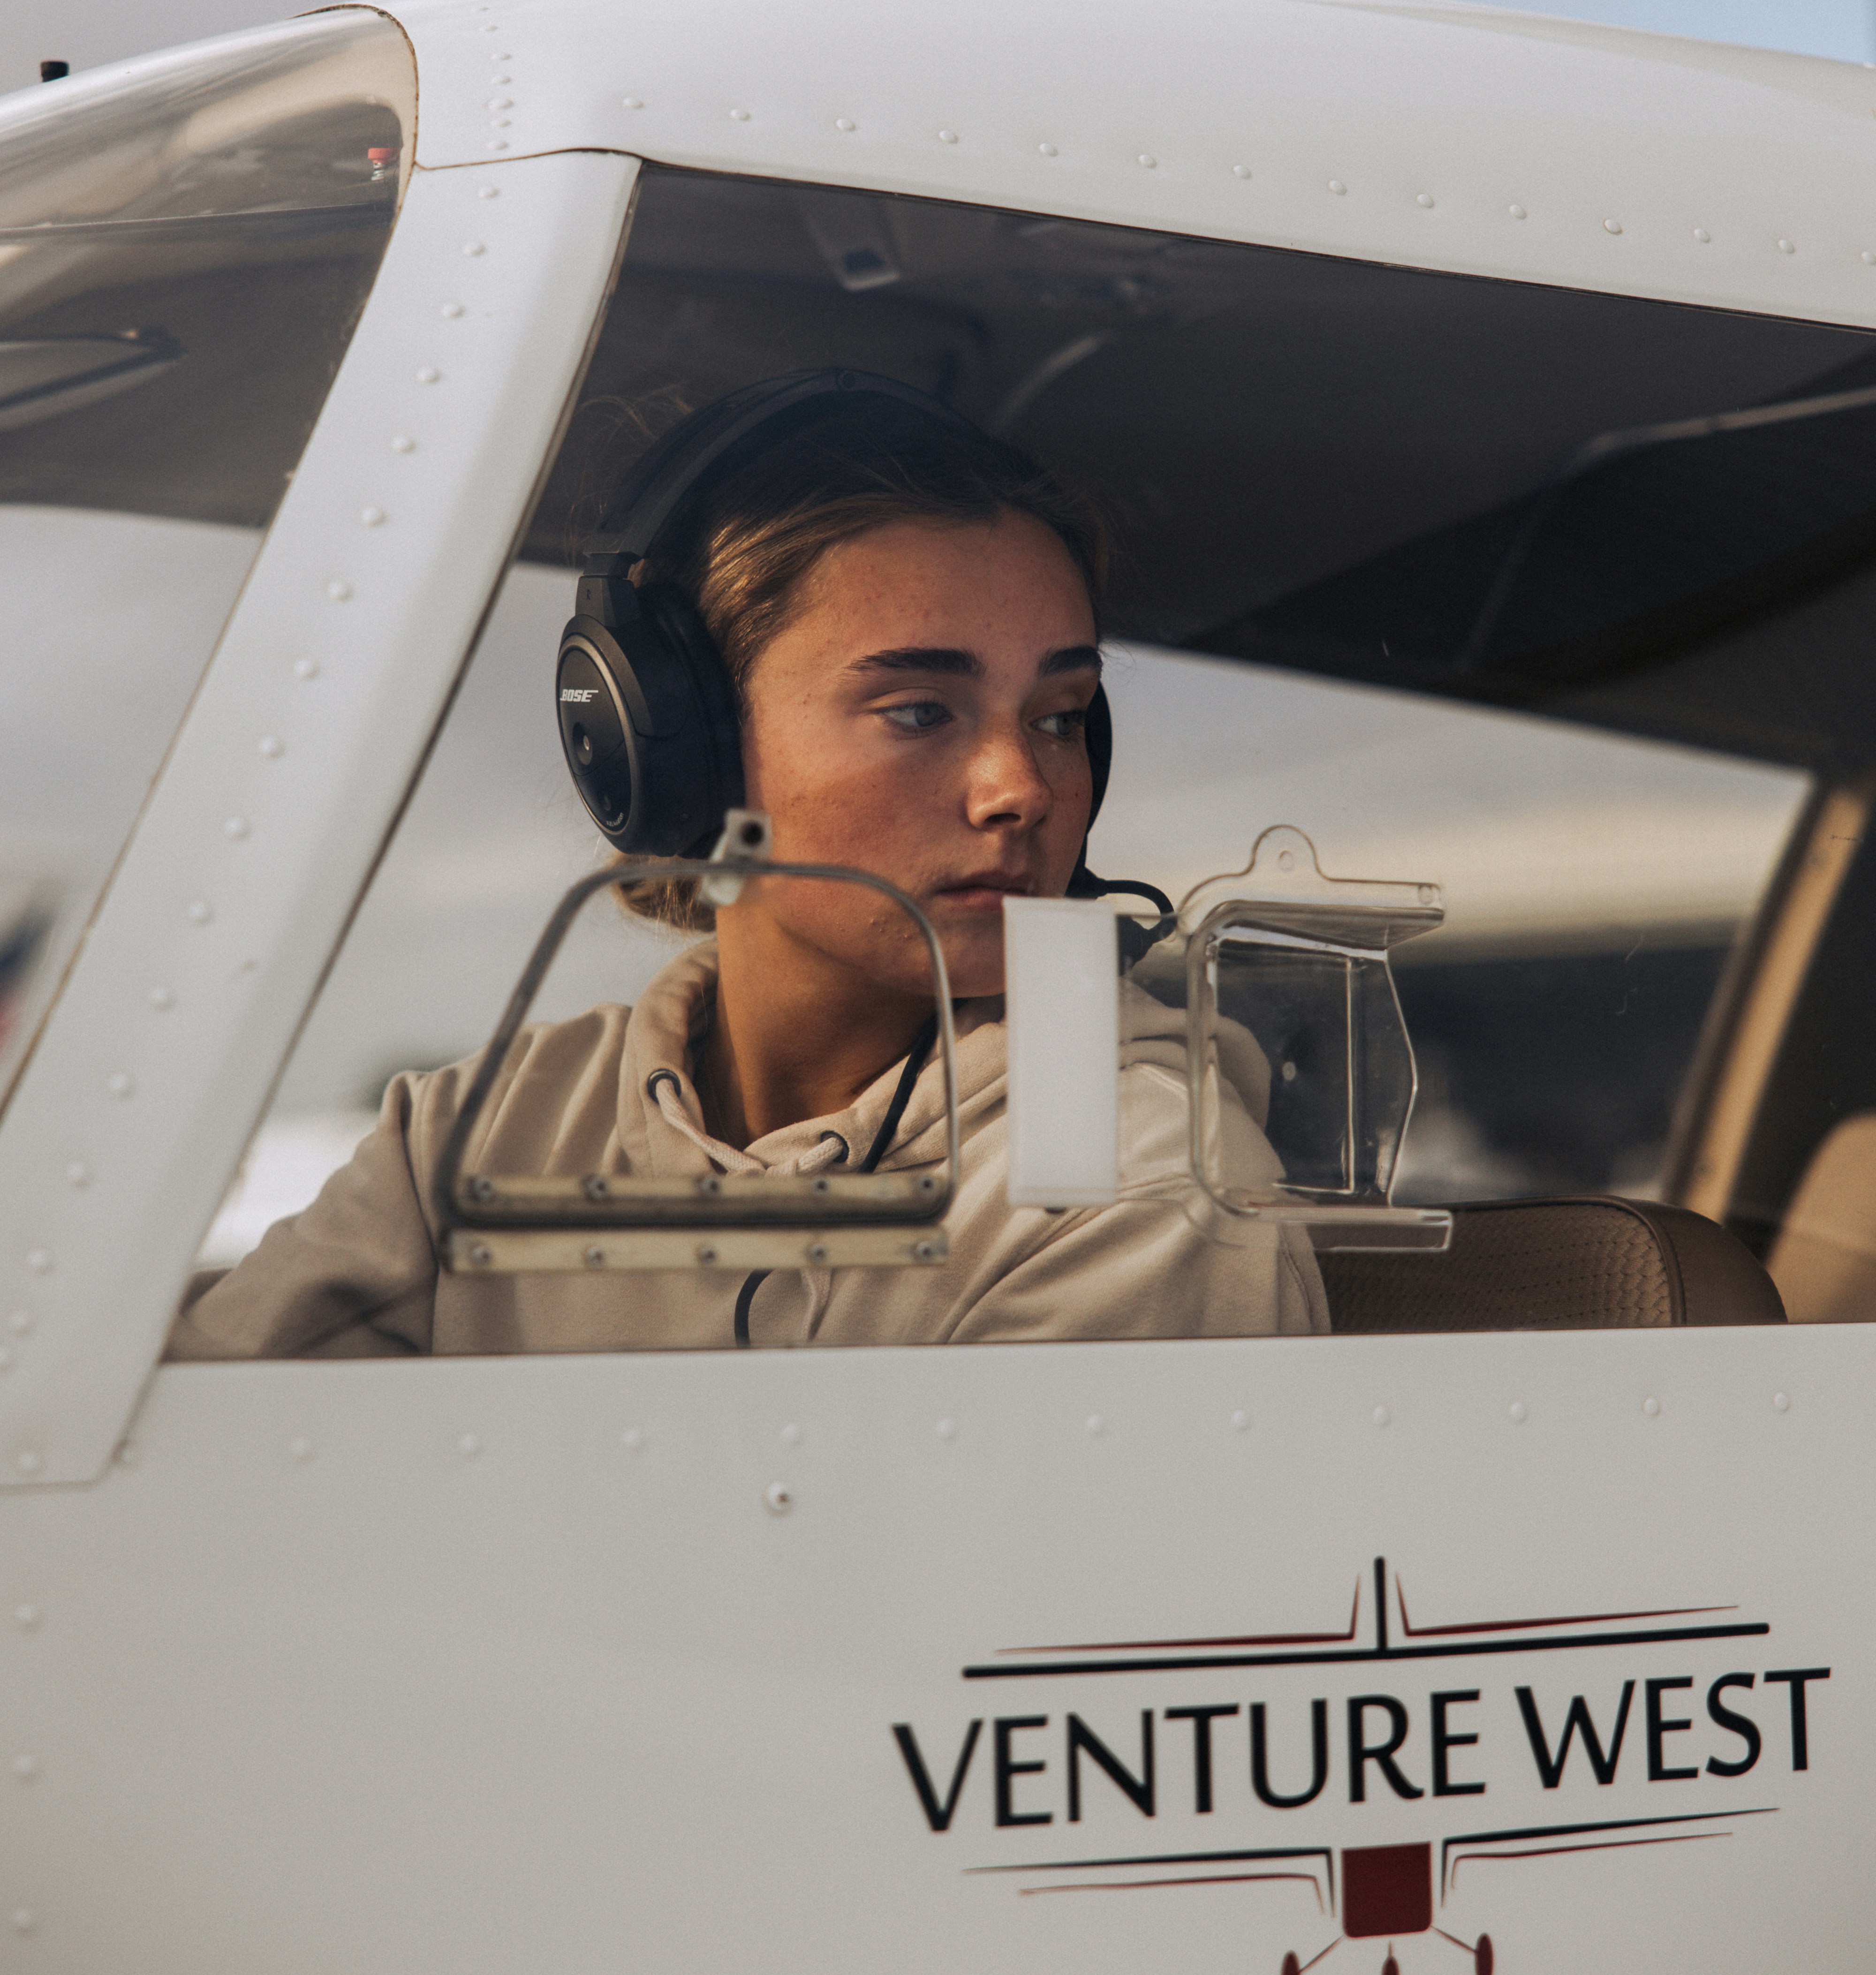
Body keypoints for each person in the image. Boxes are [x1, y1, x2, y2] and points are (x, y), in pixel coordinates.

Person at [168, 390, 1326, 1357]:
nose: (1018, 788)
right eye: (920, 710)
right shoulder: (477, 1138)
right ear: (678, 746)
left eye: (1061, 717)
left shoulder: (1138, 1190)